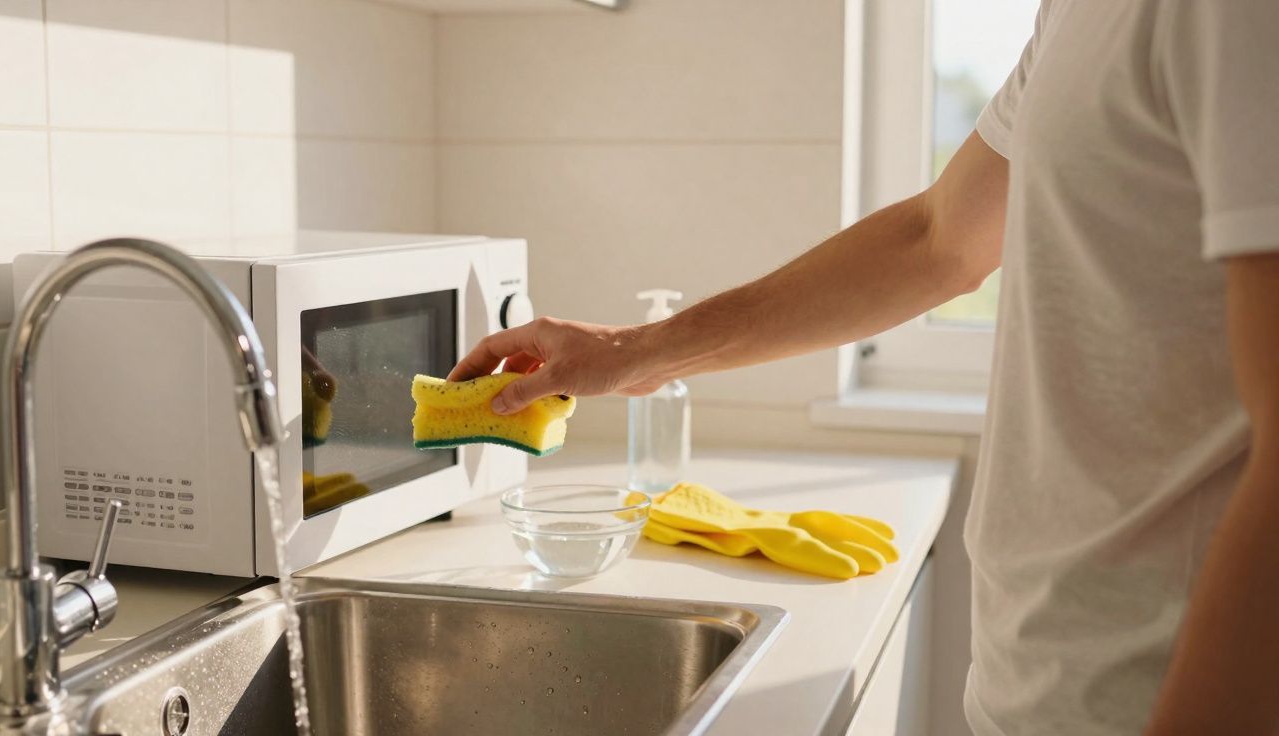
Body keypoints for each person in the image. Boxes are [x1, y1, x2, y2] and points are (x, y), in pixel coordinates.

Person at [448, 2, 1279, 733]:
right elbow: (938, 239)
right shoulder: (1073, 14)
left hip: (1152, 699)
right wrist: (633, 352)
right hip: (1039, 685)